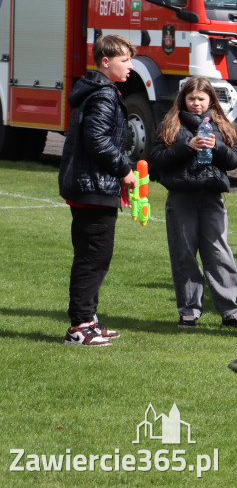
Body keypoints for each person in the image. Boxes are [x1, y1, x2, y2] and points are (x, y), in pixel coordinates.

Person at [149, 77, 237, 331]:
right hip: (181, 197)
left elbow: (233, 161)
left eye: (201, 99)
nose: (196, 103)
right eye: (191, 98)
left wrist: (216, 145)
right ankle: (188, 311)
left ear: (210, 100)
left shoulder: (220, 125)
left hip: (211, 197)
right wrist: (187, 146)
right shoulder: (171, 124)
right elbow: (156, 158)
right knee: (184, 254)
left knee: (219, 252)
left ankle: (231, 311)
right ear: (183, 99)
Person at [58, 34, 138, 346]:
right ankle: (79, 326)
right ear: (106, 62)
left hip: (91, 185)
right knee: (92, 258)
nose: (130, 66)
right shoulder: (103, 94)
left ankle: (89, 320)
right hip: (92, 187)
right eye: (124, 60)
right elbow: (97, 140)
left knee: (96, 257)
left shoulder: (98, 90)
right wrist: (125, 170)